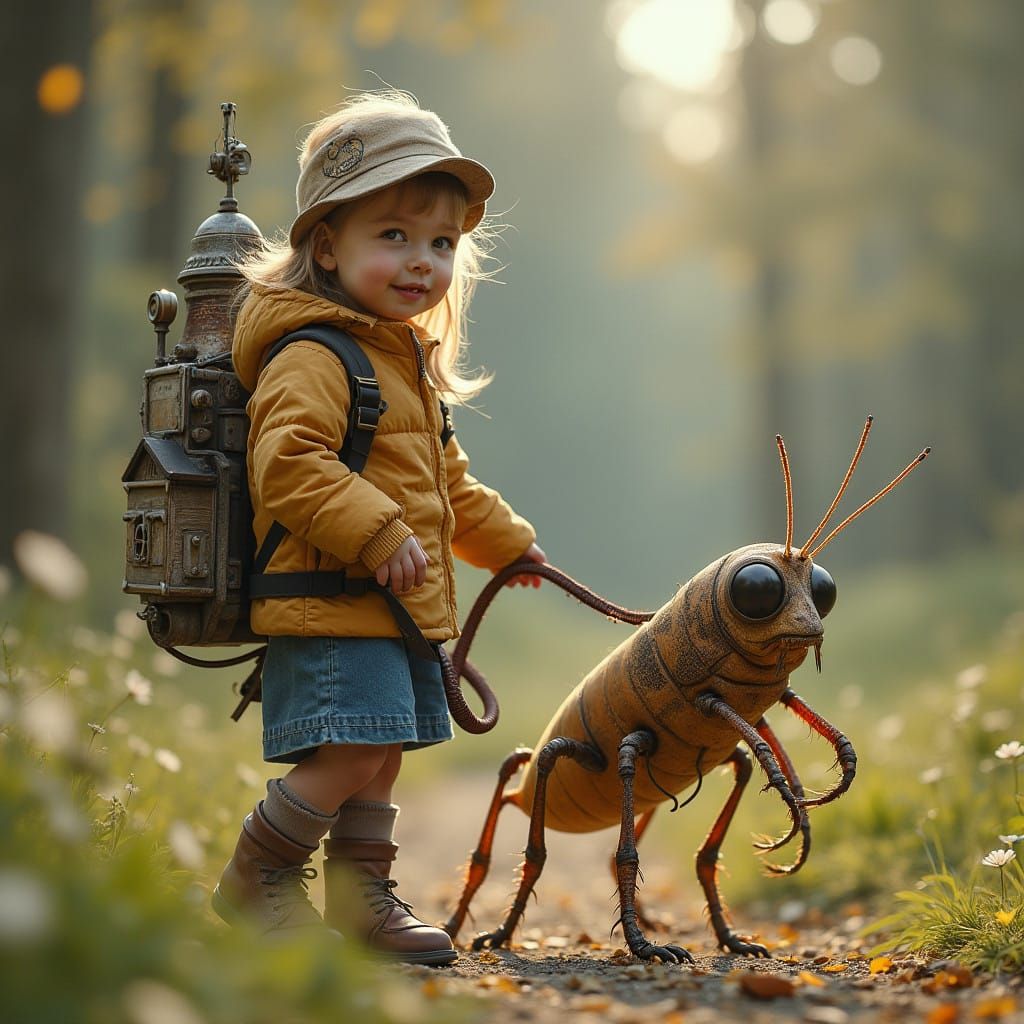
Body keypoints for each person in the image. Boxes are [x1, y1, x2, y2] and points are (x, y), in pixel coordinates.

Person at [212, 91, 545, 965]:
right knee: (352, 753)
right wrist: (375, 530)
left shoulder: (403, 365)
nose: (421, 261)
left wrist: (509, 544)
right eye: (392, 235)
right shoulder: (314, 353)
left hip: (388, 606)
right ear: (327, 245)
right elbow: (286, 465)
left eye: (440, 243)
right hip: (331, 601)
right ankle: (259, 877)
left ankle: (362, 903)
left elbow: (446, 486)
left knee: (382, 753)